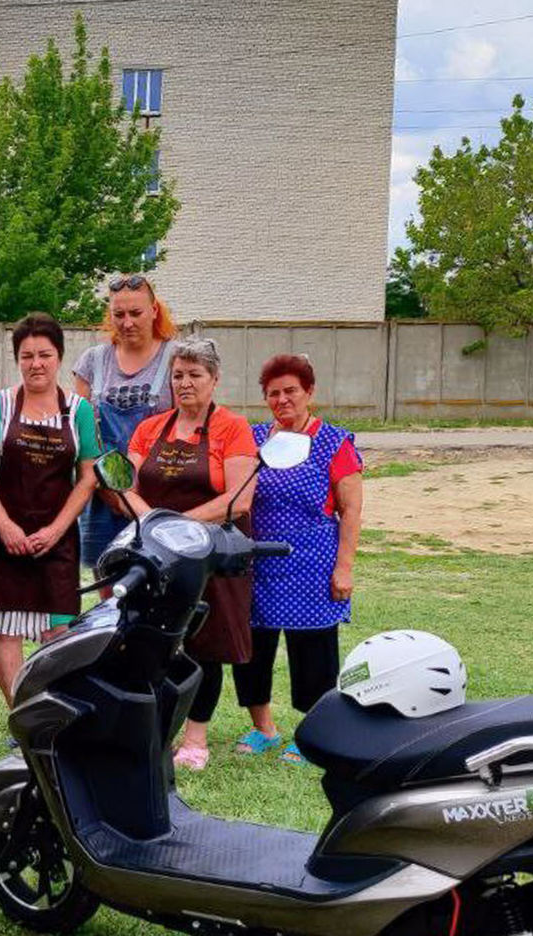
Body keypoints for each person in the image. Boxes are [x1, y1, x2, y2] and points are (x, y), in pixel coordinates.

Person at [123, 335, 258, 770]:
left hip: (211, 555)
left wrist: (179, 530)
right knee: (152, 640)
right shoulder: (150, 428)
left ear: (214, 379)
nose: (185, 383)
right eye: (178, 375)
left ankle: (195, 738)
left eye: (195, 375)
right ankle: (153, 725)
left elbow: (239, 499)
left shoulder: (232, 428)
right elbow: (124, 484)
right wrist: (152, 526)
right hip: (156, 551)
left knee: (206, 643)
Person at [231, 354, 364, 764]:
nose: (283, 399)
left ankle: (312, 735)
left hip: (313, 563)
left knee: (313, 652)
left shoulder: (334, 442)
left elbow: (351, 511)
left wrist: (344, 566)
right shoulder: (252, 439)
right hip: (257, 562)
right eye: (274, 393)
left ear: (310, 392)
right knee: (252, 648)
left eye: (291, 390)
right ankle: (263, 728)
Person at [0, 313, 101, 703]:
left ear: (59, 356)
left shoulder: (80, 411)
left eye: (44, 354)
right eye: (27, 356)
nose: (36, 364)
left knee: (58, 631)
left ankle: (53, 709)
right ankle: (21, 713)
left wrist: (56, 530)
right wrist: (5, 527)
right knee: (6, 628)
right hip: (3, 534)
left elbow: (88, 476)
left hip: (55, 535)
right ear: (17, 359)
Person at [72, 274, 178, 567]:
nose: (127, 322)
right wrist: (109, 491)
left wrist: (136, 500)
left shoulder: (175, 358)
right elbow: (79, 433)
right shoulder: (93, 361)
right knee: (108, 583)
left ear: (154, 310)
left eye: (136, 313)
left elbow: (188, 427)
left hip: (156, 492)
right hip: (102, 495)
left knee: (157, 579)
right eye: (118, 314)